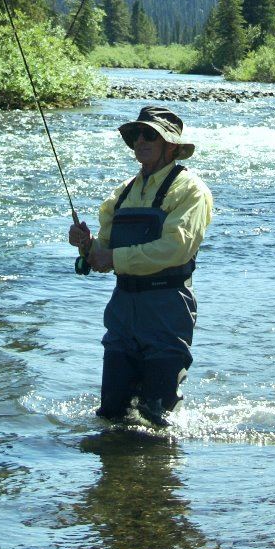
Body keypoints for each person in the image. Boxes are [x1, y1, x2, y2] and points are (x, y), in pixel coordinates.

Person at [69, 105, 213, 427]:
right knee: (111, 414)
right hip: (122, 310)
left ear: (171, 145)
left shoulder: (191, 190)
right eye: (136, 135)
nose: (140, 141)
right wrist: (88, 246)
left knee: (157, 417)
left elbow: (176, 249)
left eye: (150, 135)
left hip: (167, 308)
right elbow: (103, 255)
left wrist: (112, 257)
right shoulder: (121, 194)